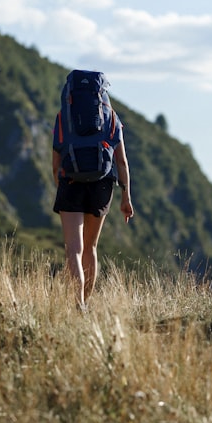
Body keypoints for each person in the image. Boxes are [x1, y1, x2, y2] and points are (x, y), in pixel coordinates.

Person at [52, 81, 134, 310]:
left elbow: (55, 163)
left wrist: (61, 185)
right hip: (102, 184)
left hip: (71, 181)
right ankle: (85, 303)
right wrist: (126, 197)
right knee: (91, 247)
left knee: (73, 249)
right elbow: (122, 162)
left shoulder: (64, 117)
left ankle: (78, 305)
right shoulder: (112, 117)